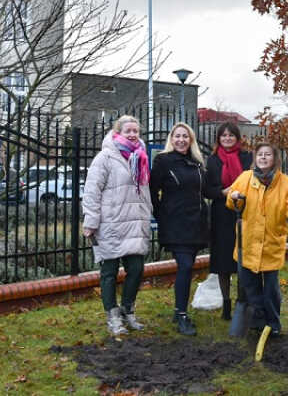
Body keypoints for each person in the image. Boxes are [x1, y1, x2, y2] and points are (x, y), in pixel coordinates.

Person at [226, 142, 288, 337]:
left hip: (271, 245)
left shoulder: (285, 183)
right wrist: (234, 197)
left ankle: (273, 324)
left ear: (275, 159)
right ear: (255, 158)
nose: (263, 158)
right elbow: (232, 202)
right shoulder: (245, 178)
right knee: (251, 287)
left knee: (271, 291)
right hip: (247, 245)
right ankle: (258, 322)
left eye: (267, 154)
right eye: (260, 155)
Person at [82, 115, 152, 336]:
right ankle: (112, 315)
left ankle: (127, 309)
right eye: (128, 131)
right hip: (110, 223)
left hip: (134, 223)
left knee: (136, 269)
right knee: (109, 272)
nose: (132, 134)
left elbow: (144, 190)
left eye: (136, 131)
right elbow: (92, 190)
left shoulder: (141, 156)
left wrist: (148, 214)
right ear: (118, 133)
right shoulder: (105, 157)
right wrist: (91, 221)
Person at [150, 122, 209, 336]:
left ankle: (178, 310)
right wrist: (161, 215)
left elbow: (207, 190)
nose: (181, 140)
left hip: (197, 224)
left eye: (185, 136)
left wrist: (229, 191)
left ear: (191, 140)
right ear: (171, 139)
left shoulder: (197, 163)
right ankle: (182, 315)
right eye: (177, 136)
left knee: (188, 265)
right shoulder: (163, 161)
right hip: (175, 224)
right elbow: (152, 191)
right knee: (184, 266)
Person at [205, 122, 253, 320]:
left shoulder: (247, 157)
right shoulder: (213, 160)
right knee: (223, 261)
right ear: (218, 138)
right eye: (223, 135)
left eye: (231, 135)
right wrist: (222, 192)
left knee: (242, 260)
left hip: (244, 212)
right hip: (221, 214)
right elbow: (207, 189)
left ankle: (242, 301)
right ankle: (226, 304)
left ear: (237, 137)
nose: (227, 138)